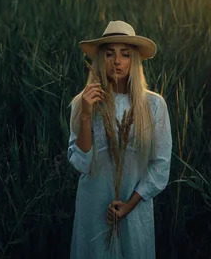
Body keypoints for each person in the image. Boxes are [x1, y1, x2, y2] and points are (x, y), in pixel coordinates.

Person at [67, 20, 172, 259]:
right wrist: (85, 114)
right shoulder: (83, 102)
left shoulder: (153, 105)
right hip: (94, 210)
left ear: (134, 60)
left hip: (134, 210)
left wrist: (130, 204)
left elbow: (161, 165)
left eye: (125, 54)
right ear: (100, 59)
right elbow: (82, 163)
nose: (117, 61)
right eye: (110, 54)